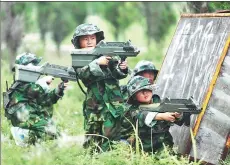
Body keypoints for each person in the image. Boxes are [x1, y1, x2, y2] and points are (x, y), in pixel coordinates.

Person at [71, 23, 128, 152]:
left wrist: (122, 68)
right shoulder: (80, 58)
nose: (89, 41)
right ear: (78, 42)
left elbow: (117, 74)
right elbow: (83, 74)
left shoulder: (107, 53)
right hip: (95, 105)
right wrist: (97, 63)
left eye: (92, 38)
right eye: (85, 38)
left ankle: (109, 158)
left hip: (113, 105)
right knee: (92, 138)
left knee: (112, 137)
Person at [3, 52, 67, 146]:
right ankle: (24, 139)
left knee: (52, 132)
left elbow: (46, 100)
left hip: (28, 120)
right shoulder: (21, 85)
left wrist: (59, 89)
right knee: (52, 132)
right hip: (23, 123)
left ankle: (34, 145)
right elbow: (34, 89)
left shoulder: (32, 85)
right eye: (32, 65)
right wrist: (44, 81)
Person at [120, 76, 182, 153]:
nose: (145, 93)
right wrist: (161, 116)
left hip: (164, 143)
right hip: (145, 145)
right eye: (140, 91)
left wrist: (177, 116)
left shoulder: (160, 103)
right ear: (134, 96)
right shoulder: (133, 109)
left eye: (147, 89)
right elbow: (141, 115)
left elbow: (178, 120)